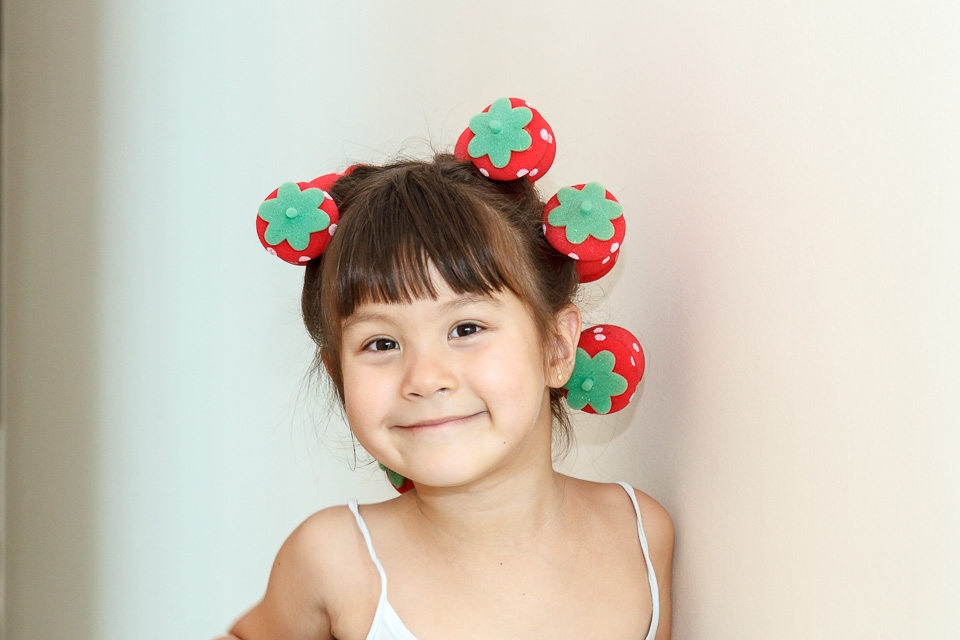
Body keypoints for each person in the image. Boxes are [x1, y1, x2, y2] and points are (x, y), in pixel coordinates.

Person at [226, 102, 674, 639]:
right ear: (339, 374)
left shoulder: (640, 535)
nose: (425, 377)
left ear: (556, 348)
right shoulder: (334, 563)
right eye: (382, 342)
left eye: (465, 329)